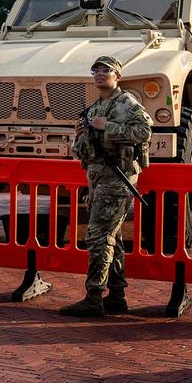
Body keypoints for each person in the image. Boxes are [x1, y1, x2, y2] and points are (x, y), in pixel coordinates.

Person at [61, 56, 151, 317]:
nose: (100, 74)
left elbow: (145, 131)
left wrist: (108, 126)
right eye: (96, 70)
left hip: (117, 177)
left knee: (98, 235)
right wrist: (80, 135)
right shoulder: (93, 108)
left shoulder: (127, 103)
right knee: (112, 236)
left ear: (117, 76)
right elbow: (83, 149)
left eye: (106, 70)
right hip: (97, 178)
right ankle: (117, 295)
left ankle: (93, 297)